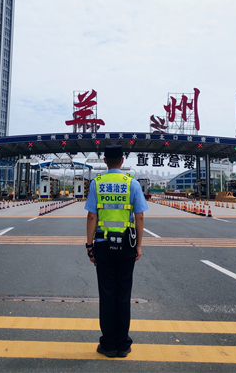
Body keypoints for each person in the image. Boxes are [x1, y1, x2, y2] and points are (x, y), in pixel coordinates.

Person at [85, 144, 148, 358]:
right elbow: (140, 216)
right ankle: (123, 344)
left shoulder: (97, 183)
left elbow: (92, 216)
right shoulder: (132, 184)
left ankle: (108, 344)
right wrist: (138, 245)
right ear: (122, 161)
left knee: (107, 293)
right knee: (123, 294)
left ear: (105, 161)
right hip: (126, 245)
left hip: (103, 244)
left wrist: (89, 245)